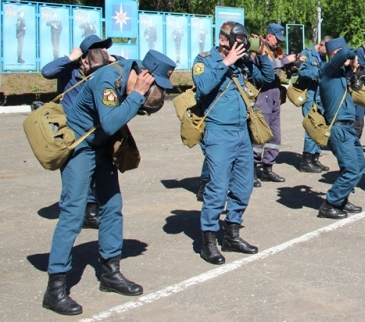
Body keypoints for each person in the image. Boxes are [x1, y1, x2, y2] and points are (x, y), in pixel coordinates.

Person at [42, 50, 175, 316]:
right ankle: (55, 288)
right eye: (154, 82)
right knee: (73, 213)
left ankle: (110, 273)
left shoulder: (128, 76)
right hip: (79, 149)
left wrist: (139, 98)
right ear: (145, 74)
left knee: (112, 207)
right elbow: (111, 121)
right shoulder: (108, 80)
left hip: (100, 147)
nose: (154, 88)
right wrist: (137, 95)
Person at [193, 22, 275, 265]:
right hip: (219, 133)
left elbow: (267, 78)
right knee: (217, 189)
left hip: (242, 133)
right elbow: (203, 86)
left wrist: (261, 55)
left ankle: (232, 233)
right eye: (235, 38)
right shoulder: (205, 59)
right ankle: (208, 241)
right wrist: (226, 62)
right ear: (222, 39)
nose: (240, 43)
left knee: (243, 187)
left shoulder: (243, 61)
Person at [41, 34, 118, 229]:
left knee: (96, 171)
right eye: (98, 49)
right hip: (71, 130)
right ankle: (75, 211)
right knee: (74, 174)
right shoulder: (70, 71)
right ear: (84, 56)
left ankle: (90, 210)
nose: (102, 52)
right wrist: (69, 58)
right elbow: (47, 71)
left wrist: (113, 61)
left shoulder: (105, 70)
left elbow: (129, 67)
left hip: (96, 129)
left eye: (104, 49)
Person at [316, 37, 365, 218]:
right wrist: (352, 55)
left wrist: (352, 70)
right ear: (335, 54)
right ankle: (329, 204)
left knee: (359, 164)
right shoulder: (328, 71)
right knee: (352, 169)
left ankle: (341, 198)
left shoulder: (340, 74)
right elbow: (346, 53)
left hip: (349, 128)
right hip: (339, 129)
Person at [253, 23, 298, 183]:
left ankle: (267, 168)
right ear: (269, 35)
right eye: (276, 39)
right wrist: (285, 61)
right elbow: (260, 67)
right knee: (259, 135)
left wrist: (293, 63)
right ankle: (251, 169)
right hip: (262, 95)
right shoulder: (258, 49)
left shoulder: (276, 51)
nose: (278, 43)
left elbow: (283, 64)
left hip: (274, 95)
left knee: (274, 135)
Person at [296, 36, 331, 173]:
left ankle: (315, 158)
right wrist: (320, 73)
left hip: (319, 97)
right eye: (326, 50)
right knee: (311, 126)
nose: (327, 53)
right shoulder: (307, 54)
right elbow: (302, 71)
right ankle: (306, 161)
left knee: (319, 126)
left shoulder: (322, 57)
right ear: (321, 44)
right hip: (310, 96)